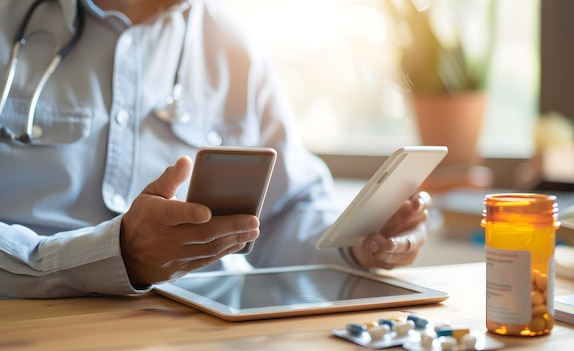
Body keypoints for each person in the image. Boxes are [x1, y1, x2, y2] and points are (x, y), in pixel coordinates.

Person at [0, 0, 431, 299]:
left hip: (198, 330)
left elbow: (283, 214)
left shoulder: (235, 48)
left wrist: (358, 241)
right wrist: (116, 255)